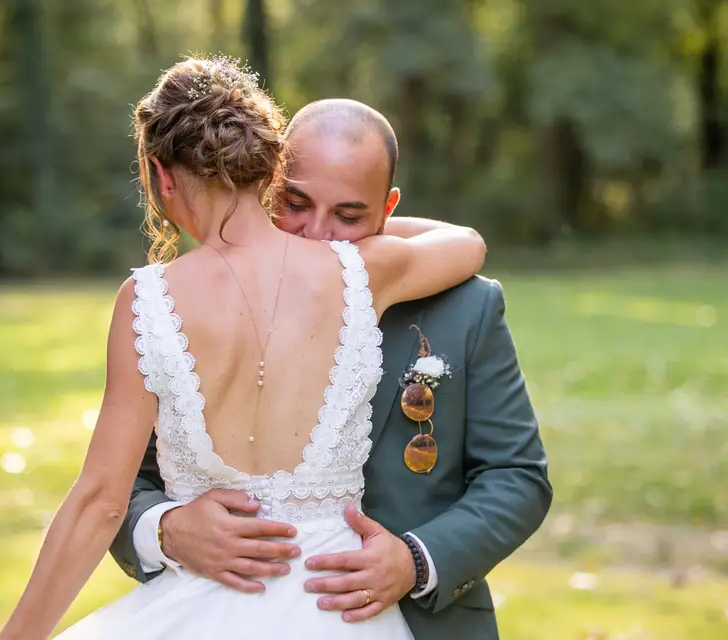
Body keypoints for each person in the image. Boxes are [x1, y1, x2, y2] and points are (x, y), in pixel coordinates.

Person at [0, 57, 485, 640]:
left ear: (161, 173)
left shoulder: (146, 301)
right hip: (341, 610)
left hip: (205, 610)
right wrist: (366, 225)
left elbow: (100, 501)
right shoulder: (363, 272)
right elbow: (467, 242)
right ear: (267, 168)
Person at [109, 98, 553, 638]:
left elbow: (517, 476)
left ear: (386, 210)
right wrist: (166, 529)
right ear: (265, 184)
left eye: (348, 216)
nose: (316, 232)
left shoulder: (465, 308)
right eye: (294, 203)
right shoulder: (197, 300)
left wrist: (417, 562)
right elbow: (120, 482)